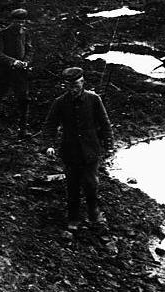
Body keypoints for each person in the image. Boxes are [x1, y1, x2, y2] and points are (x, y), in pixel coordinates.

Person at [41, 67, 115, 229]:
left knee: (91, 184)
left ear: (82, 82)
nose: (72, 89)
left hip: (91, 150)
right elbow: (49, 125)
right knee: (72, 185)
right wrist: (48, 145)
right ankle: (73, 217)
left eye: (75, 84)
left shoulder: (94, 100)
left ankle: (93, 212)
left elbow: (105, 123)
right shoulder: (60, 102)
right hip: (70, 151)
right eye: (69, 85)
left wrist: (109, 145)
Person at [0, 8, 31, 129]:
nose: (20, 24)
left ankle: (23, 129)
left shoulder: (25, 33)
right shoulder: (3, 33)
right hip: (3, 71)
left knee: (24, 99)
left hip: (20, 72)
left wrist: (26, 62)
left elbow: (29, 50)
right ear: (12, 21)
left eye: (22, 22)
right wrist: (13, 62)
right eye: (17, 22)